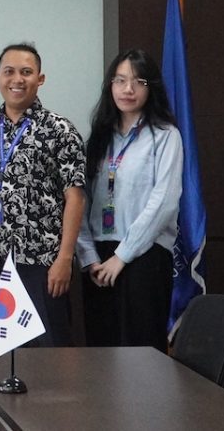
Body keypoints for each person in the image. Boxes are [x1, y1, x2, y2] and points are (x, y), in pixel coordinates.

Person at [0, 43, 86, 347]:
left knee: (51, 350)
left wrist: (64, 258)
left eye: (26, 72)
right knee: (8, 349)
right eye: (9, 72)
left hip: (44, 260)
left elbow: (75, 197)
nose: (17, 79)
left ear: (40, 78)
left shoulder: (60, 129)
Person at [77, 49, 182, 351]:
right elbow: (79, 201)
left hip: (144, 256)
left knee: (140, 355)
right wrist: (89, 257)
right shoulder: (98, 138)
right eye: (120, 80)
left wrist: (122, 257)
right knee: (101, 350)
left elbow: (164, 202)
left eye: (138, 82)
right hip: (99, 260)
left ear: (152, 88)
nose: (128, 89)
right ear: (110, 85)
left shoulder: (165, 136)